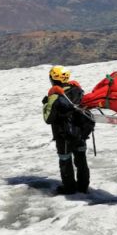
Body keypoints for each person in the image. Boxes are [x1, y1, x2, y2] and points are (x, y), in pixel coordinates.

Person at [42, 65, 91, 194]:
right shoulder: (78, 90)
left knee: (65, 160)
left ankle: (69, 188)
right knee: (81, 159)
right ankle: (83, 186)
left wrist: (46, 104)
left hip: (64, 135)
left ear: (53, 78)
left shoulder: (55, 96)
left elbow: (48, 119)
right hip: (80, 133)